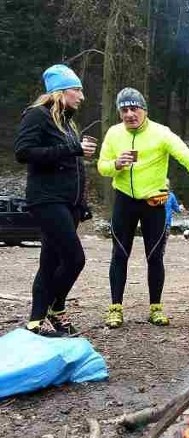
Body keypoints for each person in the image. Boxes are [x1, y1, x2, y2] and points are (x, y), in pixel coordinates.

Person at [98, 88, 189, 328]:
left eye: (134, 108)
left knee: (155, 257)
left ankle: (155, 308)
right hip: (124, 201)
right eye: (124, 110)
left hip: (154, 203)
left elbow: (187, 157)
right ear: (119, 113)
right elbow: (102, 166)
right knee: (119, 254)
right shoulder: (114, 133)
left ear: (144, 110)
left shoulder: (161, 133)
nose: (129, 114)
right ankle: (115, 308)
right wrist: (115, 164)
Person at [14, 64, 96, 337]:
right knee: (74, 259)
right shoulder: (37, 115)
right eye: (77, 90)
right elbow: (24, 152)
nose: (81, 97)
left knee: (49, 261)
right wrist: (71, 148)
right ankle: (55, 307)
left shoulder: (67, 123)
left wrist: (81, 204)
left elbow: (71, 165)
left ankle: (36, 323)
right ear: (60, 92)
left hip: (68, 203)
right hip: (46, 200)